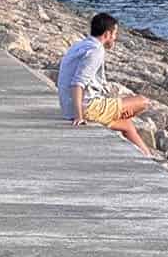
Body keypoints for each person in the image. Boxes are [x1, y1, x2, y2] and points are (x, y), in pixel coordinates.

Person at [57, 12, 152, 155]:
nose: (115, 38)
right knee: (143, 102)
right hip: (87, 107)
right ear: (107, 34)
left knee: (127, 125)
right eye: (115, 34)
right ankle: (114, 114)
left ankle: (148, 156)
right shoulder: (96, 50)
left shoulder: (81, 45)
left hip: (68, 107)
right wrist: (79, 116)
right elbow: (78, 83)